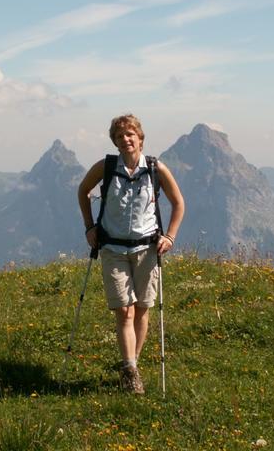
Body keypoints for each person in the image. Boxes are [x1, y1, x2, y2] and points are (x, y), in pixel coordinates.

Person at [78, 114, 184, 394]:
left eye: (130, 135)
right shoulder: (105, 167)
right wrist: (89, 227)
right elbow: (83, 191)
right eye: (120, 136)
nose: (125, 139)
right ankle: (130, 371)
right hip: (112, 248)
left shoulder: (156, 168)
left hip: (147, 248)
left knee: (142, 309)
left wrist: (170, 237)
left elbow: (178, 203)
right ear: (115, 141)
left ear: (140, 138)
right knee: (124, 311)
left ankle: (131, 365)